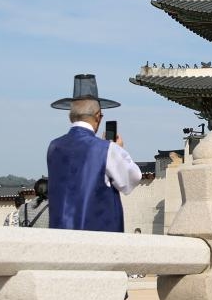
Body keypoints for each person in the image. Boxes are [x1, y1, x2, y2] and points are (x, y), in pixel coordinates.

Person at [47, 74, 143, 232]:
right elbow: (132, 179)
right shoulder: (106, 149)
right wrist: (119, 149)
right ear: (98, 116)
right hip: (96, 238)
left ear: (71, 115)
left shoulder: (54, 147)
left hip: (60, 235)